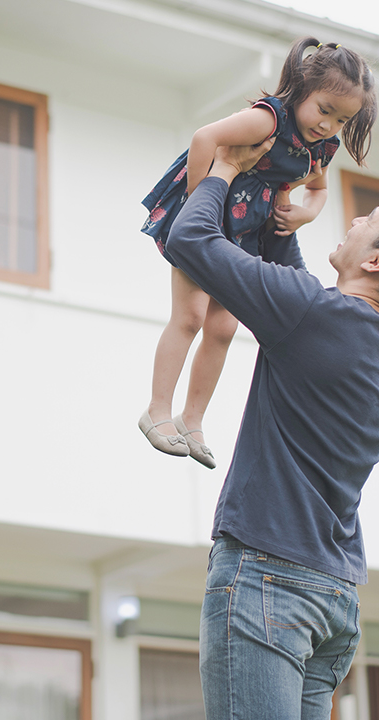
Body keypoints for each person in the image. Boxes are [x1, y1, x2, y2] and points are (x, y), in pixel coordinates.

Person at [165, 134, 379, 718]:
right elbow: (289, 291)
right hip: (332, 596)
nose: (357, 216)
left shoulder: (312, 314)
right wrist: (280, 222)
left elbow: (191, 238)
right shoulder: (331, 325)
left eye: (369, 218)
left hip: (268, 581)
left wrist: (223, 168)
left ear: (374, 261)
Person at [138, 37, 377, 469]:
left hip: (246, 227)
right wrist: (198, 200)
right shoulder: (266, 122)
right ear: (304, 89)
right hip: (209, 211)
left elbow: (319, 189)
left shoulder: (320, 147)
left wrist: (304, 214)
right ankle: (157, 409)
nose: (328, 126)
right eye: (324, 110)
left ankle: (192, 419)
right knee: (190, 317)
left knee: (224, 327)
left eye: (342, 121)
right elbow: (204, 137)